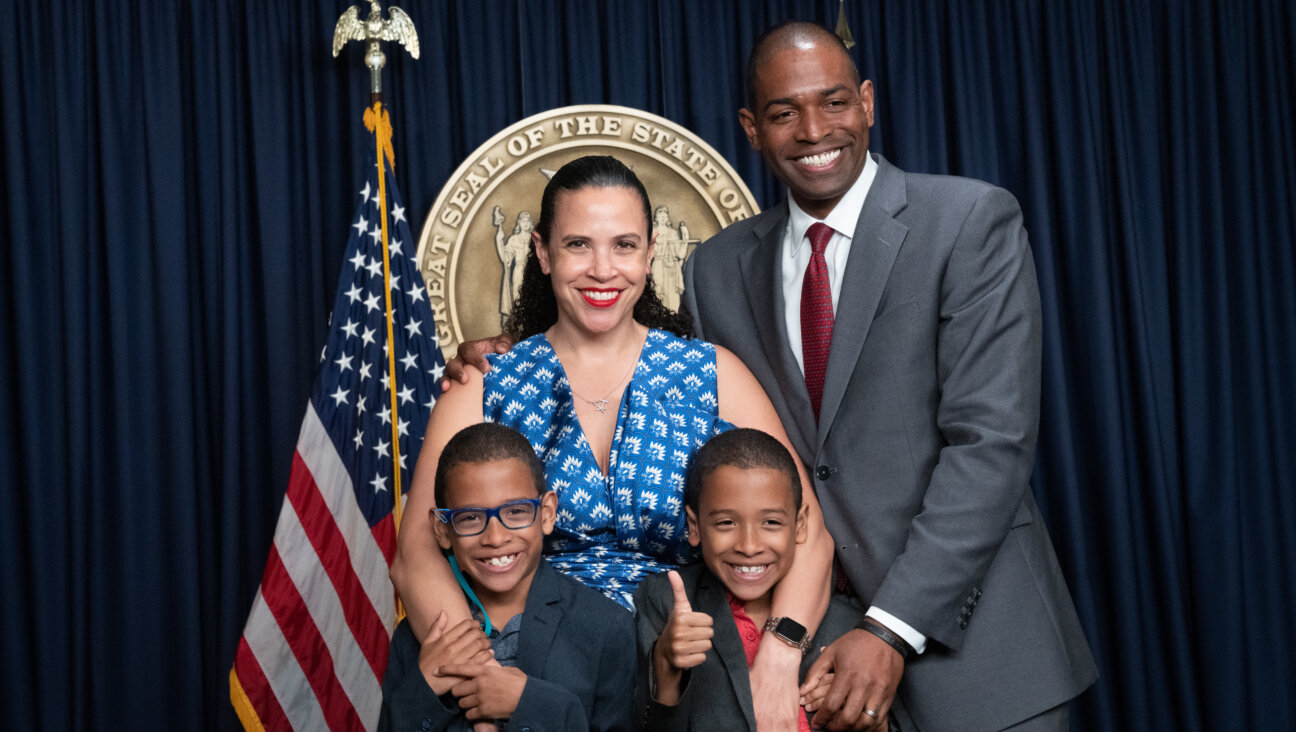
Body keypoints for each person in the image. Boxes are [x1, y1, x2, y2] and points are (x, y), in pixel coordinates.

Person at [446, 22, 1099, 732]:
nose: (814, 129)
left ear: (869, 103)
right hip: (808, 654)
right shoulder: (718, 269)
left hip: (973, 650)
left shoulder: (968, 222)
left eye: (835, 102)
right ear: (752, 129)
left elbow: (992, 445)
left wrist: (888, 628)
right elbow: (629, 353)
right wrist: (510, 343)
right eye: (784, 112)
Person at [392, 155, 835, 730]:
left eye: (624, 245)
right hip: (539, 666)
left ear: (652, 255)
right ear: (542, 253)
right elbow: (418, 556)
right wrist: (488, 678)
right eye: (578, 245)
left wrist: (778, 660)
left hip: (696, 668)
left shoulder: (713, 375)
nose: (603, 270)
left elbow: (809, 533)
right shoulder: (483, 386)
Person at [633, 428, 899, 732]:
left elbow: (882, 719)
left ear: (800, 525)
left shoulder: (848, 627)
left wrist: (868, 721)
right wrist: (666, 665)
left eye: (771, 523)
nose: (749, 546)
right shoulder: (665, 602)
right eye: (726, 523)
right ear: (694, 526)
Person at [379, 423, 634, 731]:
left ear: (548, 513)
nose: (496, 538)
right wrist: (424, 689)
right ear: (442, 530)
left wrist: (528, 703)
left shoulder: (606, 628)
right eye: (471, 518)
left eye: (516, 512)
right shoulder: (420, 636)